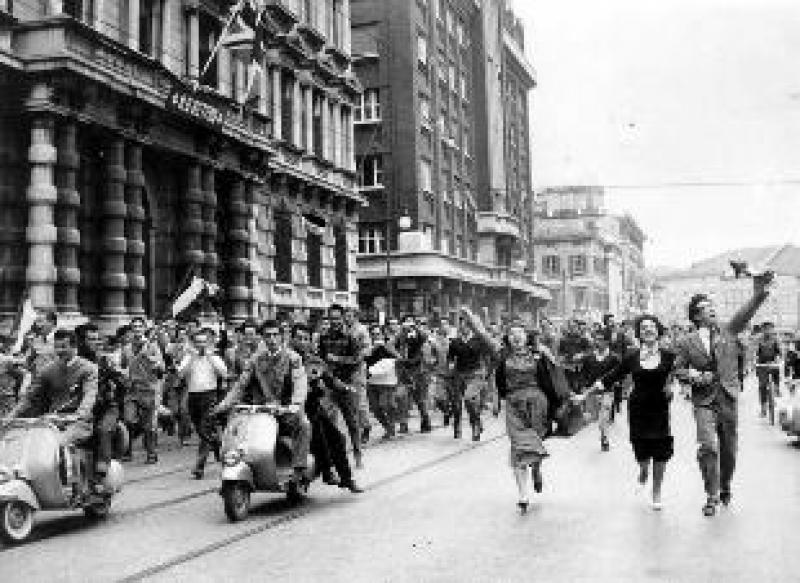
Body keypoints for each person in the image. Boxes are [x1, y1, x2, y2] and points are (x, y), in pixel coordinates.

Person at [674, 271, 774, 517]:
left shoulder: (728, 330)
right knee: (709, 446)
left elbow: (747, 311)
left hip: (727, 398)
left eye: (712, 306)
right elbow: (678, 369)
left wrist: (759, 290)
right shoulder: (686, 341)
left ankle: (725, 484)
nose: (711, 310)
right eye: (705, 308)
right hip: (703, 401)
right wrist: (695, 377)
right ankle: (711, 495)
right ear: (696, 315)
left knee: (729, 450)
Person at [462, 309, 569, 513]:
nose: (516, 336)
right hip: (513, 405)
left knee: (535, 443)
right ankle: (523, 495)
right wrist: (471, 317)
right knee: (519, 448)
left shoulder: (540, 353)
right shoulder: (502, 354)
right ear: (507, 338)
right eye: (511, 334)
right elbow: (483, 335)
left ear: (527, 336)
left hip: (538, 404)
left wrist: (565, 401)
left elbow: (557, 378)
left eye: (520, 332)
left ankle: (537, 469)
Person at [592, 315, 676, 510]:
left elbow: (680, 372)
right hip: (638, 409)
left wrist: (673, 384)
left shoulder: (669, 355)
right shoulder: (632, 356)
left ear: (658, 331)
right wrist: (586, 393)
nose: (648, 330)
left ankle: (656, 492)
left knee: (661, 451)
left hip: (660, 409)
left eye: (652, 327)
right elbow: (612, 376)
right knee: (641, 450)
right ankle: (643, 470)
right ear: (638, 333)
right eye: (644, 327)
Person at [214, 320, 311, 486]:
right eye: (268, 336)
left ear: (282, 337)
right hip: (262, 411)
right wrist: (224, 404)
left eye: (275, 335)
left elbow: (300, 384)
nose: (272, 339)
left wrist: (294, 406)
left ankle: (298, 469)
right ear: (262, 338)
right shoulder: (255, 360)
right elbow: (240, 385)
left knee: (303, 424)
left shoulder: (294, 359)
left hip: (285, 411)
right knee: (235, 427)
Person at [4, 329, 100, 466]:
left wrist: (79, 415)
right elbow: (29, 397)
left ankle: (70, 481)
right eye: (56, 347)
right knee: (27, 444)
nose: (59, 351)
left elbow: (89, 396)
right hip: (51, 421)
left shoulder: (89, 369)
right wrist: (11, 416)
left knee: (57, 443)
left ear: (74, 347)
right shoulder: (48, 370)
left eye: (63, 347)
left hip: (79, 423)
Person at [292, 324, 363, 493]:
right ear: (292, 339)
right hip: (294, 410)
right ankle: (327, 473)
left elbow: (329, 378)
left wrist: (345, 387)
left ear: (310, 341)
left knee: (338, 438)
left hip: (313, 406)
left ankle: (347, 479)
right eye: (299, 338)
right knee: (319, 437)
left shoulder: (314, 360)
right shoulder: (287, 359)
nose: (302, 342)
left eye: (306, 339)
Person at [178, 329, 228, 479]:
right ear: (194, 343)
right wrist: (192, 358)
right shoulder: (189, 357)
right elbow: (180, 373)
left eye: (203, 342)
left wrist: (209, 357)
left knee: (205, 430)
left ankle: (199, 466)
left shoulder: (214, 357)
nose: (201, 345)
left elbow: (224, 373)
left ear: (208, 343)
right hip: (193, 396)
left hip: (209, 396)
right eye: (198, 342)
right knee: (201, 430)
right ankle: (219, 445)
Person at [318, 304, 365, 467]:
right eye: (332, 318)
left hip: (348, 383)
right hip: (329, 384)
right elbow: (321, 359)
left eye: (337, 318)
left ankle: (358, 454)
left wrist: (338, 359)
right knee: (328, 421)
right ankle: (332, 455)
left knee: (352, 421)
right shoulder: (323, 337)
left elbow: (358, 360)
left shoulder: (351, 336)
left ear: (343, 318)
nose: (335, 321)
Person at [120, 317, 165, 464]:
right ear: (132, 329)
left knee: (149, 425)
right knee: (128, 420)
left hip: (148, 389)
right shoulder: (126, 348)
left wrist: (151, 360)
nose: (137, 329)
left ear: (144, 329)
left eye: (140, 326)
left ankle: (151, 453)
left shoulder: (152, 346)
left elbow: (161, 368)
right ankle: (127, 450)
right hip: (132, 390)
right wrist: (124, 375)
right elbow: (123, 367)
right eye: (135, 327)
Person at [580, 329, 622, 452]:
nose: (598, 342)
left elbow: (619, 374)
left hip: (607, 391)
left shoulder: (614, 358)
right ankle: (603, 431)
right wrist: (584, 388)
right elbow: (584, 374)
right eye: (596, 339)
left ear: (607, 342)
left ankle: (605, 437)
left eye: (601, 339)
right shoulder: (589, 357)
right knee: (593, 418)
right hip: (592, 392)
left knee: (603, 417)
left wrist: (616, 383)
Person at [394, 315, 431, 434]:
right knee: (401, 396)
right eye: (406, 321)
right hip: (404, 370)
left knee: (420, 399)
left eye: (411, 321)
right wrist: (398, 355)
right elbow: (389, 345)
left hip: (419, 371)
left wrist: (415, 327)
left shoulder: (420, 333)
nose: (409, 324)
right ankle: (403, 424)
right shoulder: (400, 335)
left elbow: (425, 337)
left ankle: (425, 419)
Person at [364, 325, 400, 440]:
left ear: (382, 335)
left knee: (387, 406)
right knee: (375, 408)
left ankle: (391, 428)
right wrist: (373, 348)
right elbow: (363, 358)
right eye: (373, 334)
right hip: (372, 381)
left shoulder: (388, 346)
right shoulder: (368, 347)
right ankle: (388, 427)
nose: (376, 336)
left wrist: (385, 347)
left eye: (378, 334)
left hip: (387, 381)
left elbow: (397, 358)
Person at [755, 322, 781, 417]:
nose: (767, 331)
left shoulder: (775, 339)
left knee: (776, 372)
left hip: (773, 363)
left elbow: (779, 352)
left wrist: (777, 359)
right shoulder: (759, 340)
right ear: (762, 330)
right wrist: (756, 361)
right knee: (762, 386)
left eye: (769, 328)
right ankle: (763, 408)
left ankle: (777, 388)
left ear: (772, 330)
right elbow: (756, 353)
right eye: (765, 329)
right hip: (762, 364)